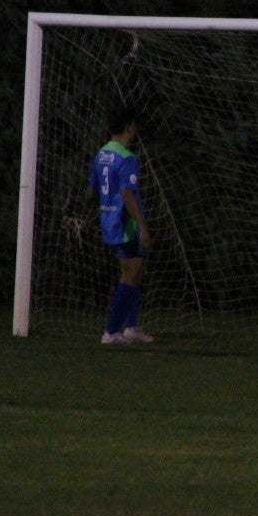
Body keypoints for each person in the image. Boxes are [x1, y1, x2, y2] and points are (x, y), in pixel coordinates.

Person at [88, 105, 154, 344]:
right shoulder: (127, 158)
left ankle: (130, 326)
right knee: (131, 273)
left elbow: (92, 190)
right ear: (128, 127)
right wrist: (143, 227)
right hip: (126, 224)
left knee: (134, 272)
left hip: (109, 221)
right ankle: (112, 331)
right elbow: (128, 194)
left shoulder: (101, 154)